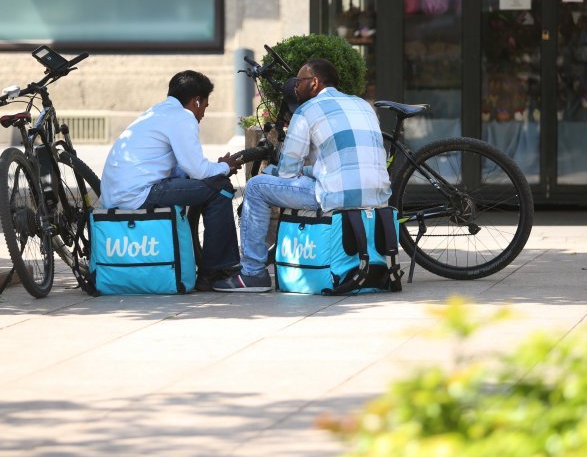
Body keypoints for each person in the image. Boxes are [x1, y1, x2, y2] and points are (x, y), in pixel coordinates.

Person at [213, 58, 391, 292]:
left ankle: (253, 273)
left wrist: (278, 171)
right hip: (379, 198)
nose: (294, 86)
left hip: (335, 197)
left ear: (314, 82)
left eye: (299, 81)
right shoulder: (363, 105)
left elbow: (287, 172)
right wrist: (310, 170)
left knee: (256, 187)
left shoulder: (307, 110)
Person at [100, 70, 243, 291]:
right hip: (140, 193)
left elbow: (182, 169)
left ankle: (211, 265)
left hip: (117, 194)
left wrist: (215, 169)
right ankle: (214, 272)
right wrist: (225, 167)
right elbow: (197, 170)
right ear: (196, 101)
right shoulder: (183, 117)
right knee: (220, 189)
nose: (203, 113)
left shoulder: (156, 112)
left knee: (211, 183)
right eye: (205, 105)